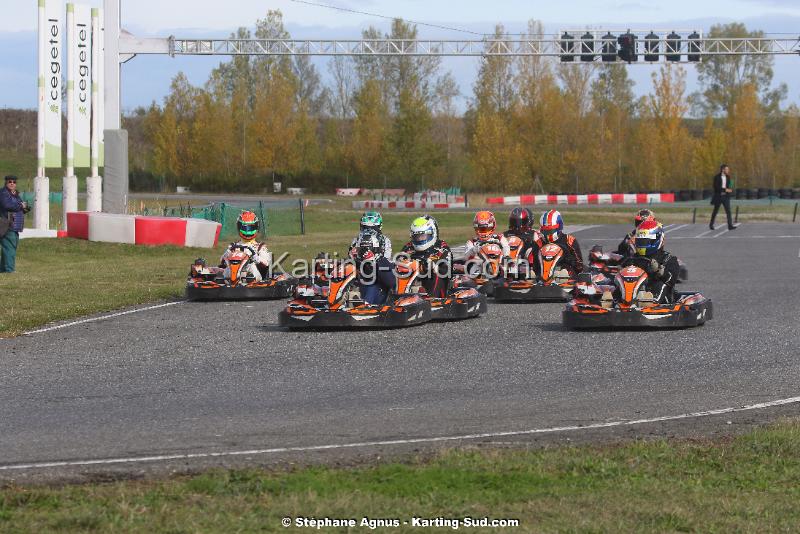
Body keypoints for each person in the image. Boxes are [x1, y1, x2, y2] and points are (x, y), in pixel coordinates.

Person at [620, 219, 680, 303]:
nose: (642, 243)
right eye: (641, 240)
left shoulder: (668, 259)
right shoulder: (632, 258)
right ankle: (610, 302)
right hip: (633, 293)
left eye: (646, 240)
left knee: (660, 284)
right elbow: (620, 270)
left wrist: (659, 271)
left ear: (657, 239)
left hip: (660, 299)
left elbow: (671, 280)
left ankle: (650, 303)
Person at [400, 215, 453, 298]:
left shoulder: (441, 247)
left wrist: (428, 265)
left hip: (433, 285)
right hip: (412, 282)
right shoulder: (408, 247)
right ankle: (397, 298)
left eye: (422, 236)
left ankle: (433, 299)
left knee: (437, 271)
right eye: (417, 237)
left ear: (433, 233)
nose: (420, 239)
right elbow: (399, 262)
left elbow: (446, 267)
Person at [219, 210, 273, 281]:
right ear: (239, 227)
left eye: (251, 228)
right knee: (223, 270)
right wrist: (226, 255)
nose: (248, 231)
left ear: (256, 227)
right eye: (245, 228)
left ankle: (248, 280)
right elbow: (222, 262)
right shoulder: (233, 246)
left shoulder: (260, 247)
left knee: (251, 266)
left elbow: (266, 263)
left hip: (254, 278)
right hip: (233, 274)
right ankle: (225, 281)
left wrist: (256, 258)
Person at [535, 209, 584, 276]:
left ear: (559, 227)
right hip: (542, 274)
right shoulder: (539, 242)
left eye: (551, 230)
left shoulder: (569, 240)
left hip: (565, 275)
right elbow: (532, 263)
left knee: (565, 273)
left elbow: (579, 266)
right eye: (546, 231)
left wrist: (567, 258)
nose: (548, 233)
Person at [353, 230, 396, 305]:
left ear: (374, 249)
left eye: (366, 249)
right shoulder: (356, 262)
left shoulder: (382, 261)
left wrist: (373, 265)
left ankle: (365, 305)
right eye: (362, 250)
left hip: (380, 298)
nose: (364, 253)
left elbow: (392, 282)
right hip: (360, 292)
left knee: (372, 283)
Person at [1, 175, 29, 273]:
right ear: (6, 183)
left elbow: (21, 206)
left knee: (10, 246)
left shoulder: (15, 194)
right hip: (6, 224)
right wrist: (20, 205)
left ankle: (3, 269)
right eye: (10, 181)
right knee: (9, 246)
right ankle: (9, 270)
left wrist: (26, 207)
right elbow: (7, 205)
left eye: (14, 182)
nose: (12, 183)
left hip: (14, 225)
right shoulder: (3, 193)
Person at [710, 163, 737, 231]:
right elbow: (716, 187)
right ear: (722, 170)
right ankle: (711, 224)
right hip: (718, 196)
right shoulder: (716, 177)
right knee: (715, 211)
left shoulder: (728, 177)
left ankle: (730, 226)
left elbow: (730, 186)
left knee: (728, 211)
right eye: (726, 169)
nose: (728, 170)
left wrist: (731, 188)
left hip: (726, 197)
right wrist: (725, 189)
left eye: (728, 169)